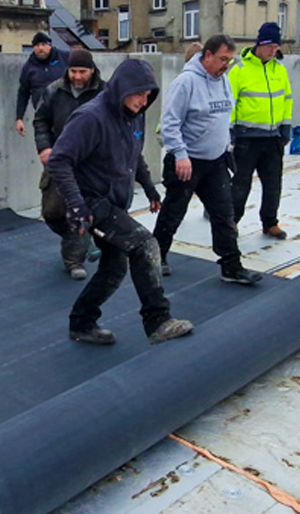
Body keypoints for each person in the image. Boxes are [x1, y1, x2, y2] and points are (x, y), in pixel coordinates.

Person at [47, 58, 192, 346]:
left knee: (114, 267)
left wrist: (149, 187)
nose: (144, 100)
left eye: (148, 94)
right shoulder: (91, 117)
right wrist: (76, 205)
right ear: (123, 88)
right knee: (145, 244)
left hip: (114, 200)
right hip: (92, 202)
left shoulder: (134, 114)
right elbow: (59, 160)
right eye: (138, 93)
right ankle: (158, 321)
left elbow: (134, 154)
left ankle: (82, 323)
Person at [153, 34, 259, 285]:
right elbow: (169, 124)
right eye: (222, 59)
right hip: (188, 162)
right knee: (173, 212)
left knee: (224, 214)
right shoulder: (186, 83)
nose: (226, 65)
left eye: (230, 60)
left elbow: (223, 115)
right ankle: (155, 257)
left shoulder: (223, 81)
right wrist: (180, 155)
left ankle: (231, 267)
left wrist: (226, 146)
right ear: (207, 55)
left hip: (216, 161)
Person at [34, 49, 105, 279]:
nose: (76, 76)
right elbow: (40, 120)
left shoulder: (104, 93)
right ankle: (76, 238)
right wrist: (44, 147)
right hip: (60, 160)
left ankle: (74, 259)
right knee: (52, 212)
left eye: (82, 71)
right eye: (73, 71)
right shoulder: (54, 90)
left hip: (89, 163)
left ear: (91, 70)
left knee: (80, 209)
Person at [228, 22, 292, 239]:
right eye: (270, 46)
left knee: (273, 184)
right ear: (259, 45)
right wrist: (231, 132)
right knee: (240, 186)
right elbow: (230, 104)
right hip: (247, 139)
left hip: (273, 139)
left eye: (277, 47)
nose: (274, 51)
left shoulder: (279, 70)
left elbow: (286, 100)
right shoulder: (240, 70)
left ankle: (270, 223)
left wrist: (286, 127)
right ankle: (232, 223)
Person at [14, 32, 68, 136]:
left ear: (50, 45)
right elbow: (23, 93)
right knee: (46, 149)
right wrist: (19, 118)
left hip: (66, 113)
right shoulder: (29, 67)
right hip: (43, 116)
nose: (40, 48)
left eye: (43, 45)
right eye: (37, 45)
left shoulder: (64, 57)